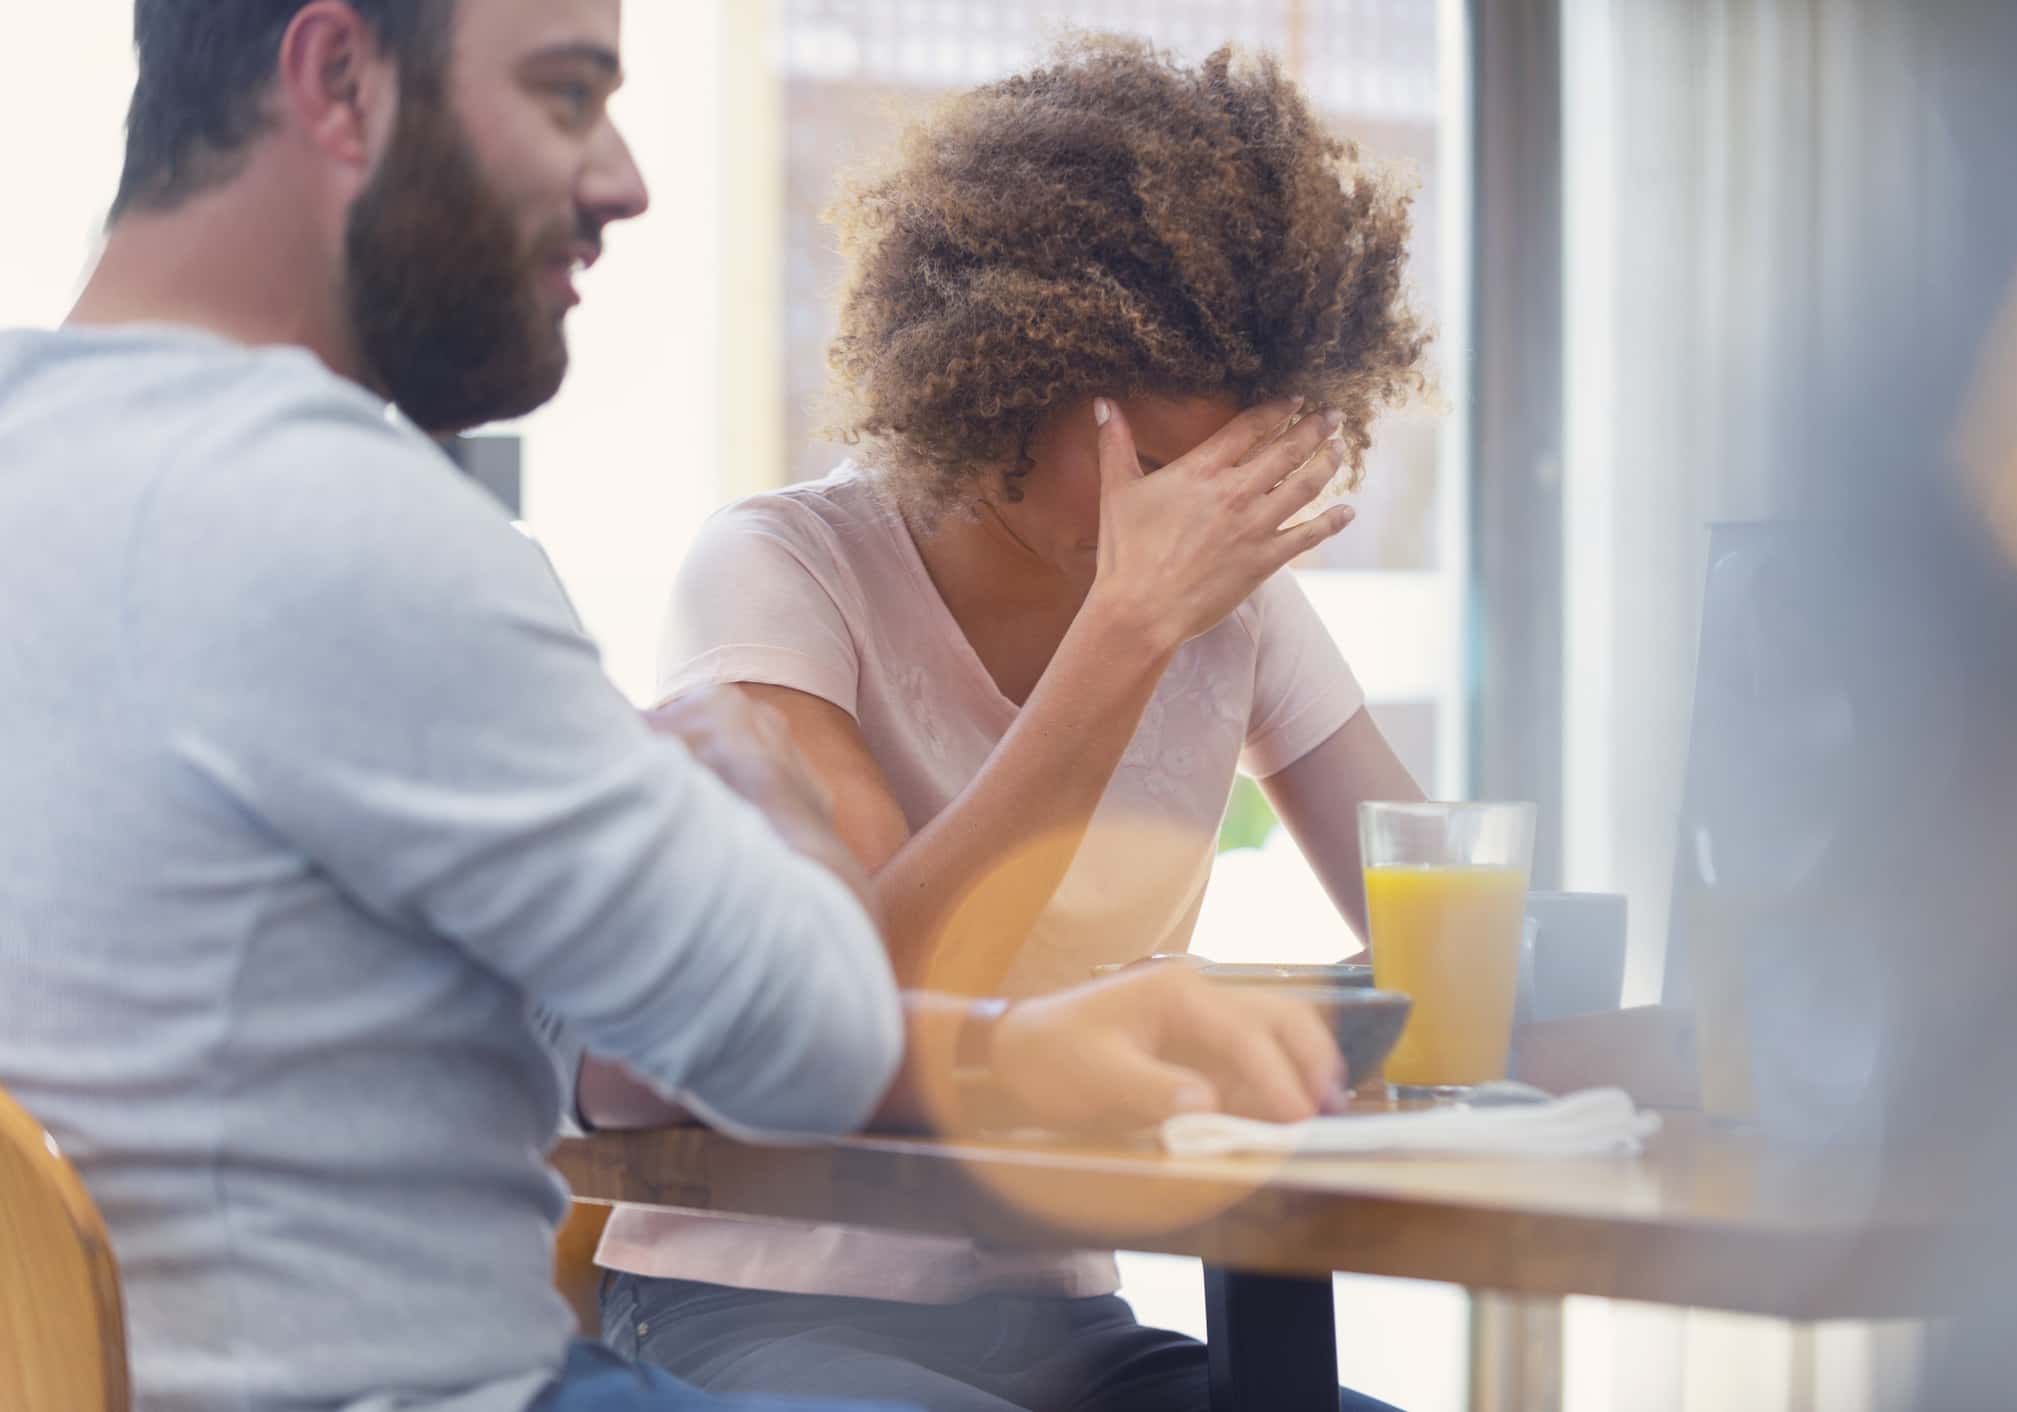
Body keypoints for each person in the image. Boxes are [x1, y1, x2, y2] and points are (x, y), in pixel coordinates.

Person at [0, 5, 1345, 1411]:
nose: (623, 179)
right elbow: (797, 1035)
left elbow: (618, 1054)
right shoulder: (354, 531)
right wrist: (775, 819)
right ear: (339, 80)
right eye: (567, 96)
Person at [585, 37, 1428, 1412]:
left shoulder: (1233, 607)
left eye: (1224, 480)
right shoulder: (781, 570)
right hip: (753, 1305)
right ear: (1007, 387)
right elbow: (846, 995)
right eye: (1152, 470)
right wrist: (1121, 637)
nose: (1188, 526)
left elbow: (1429, 914)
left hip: (1053, 1328)